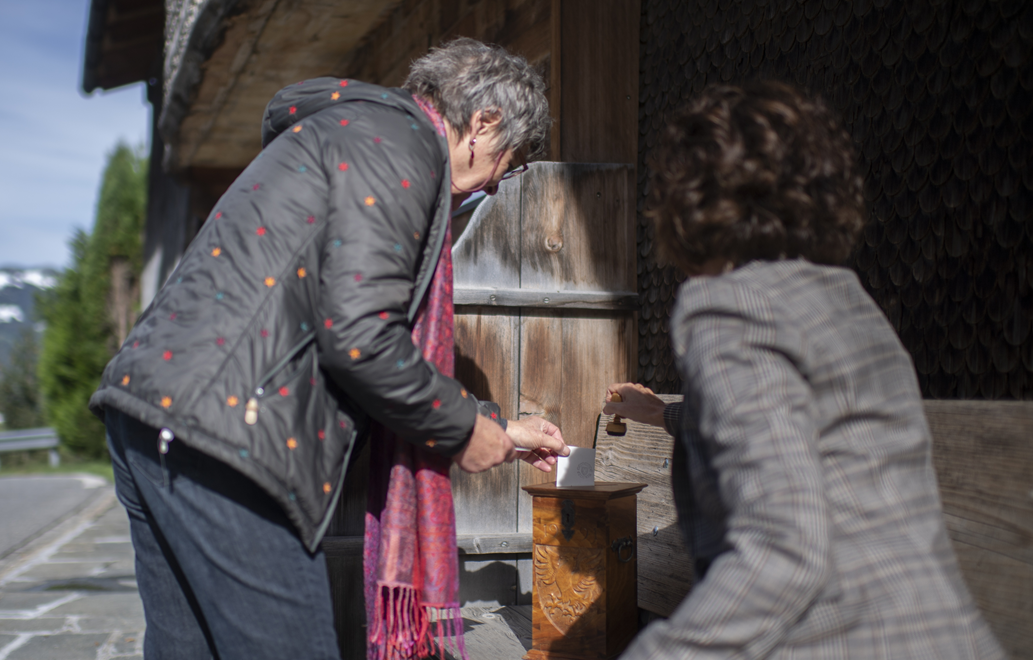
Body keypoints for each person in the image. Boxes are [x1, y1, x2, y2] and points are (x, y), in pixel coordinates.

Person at [89, 39, 568, 660]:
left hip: (155, 415)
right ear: (484, 124)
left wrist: (499, 428)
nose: (502, 182)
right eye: (515, 159)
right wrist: (459, 429)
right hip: (229, 434)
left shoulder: (349, 135)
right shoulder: (398, 146)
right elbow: (362, 336)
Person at [605, 81, 1005, 659]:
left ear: (691, 201)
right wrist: (665, 413)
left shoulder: (727, 306)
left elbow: (785, 549)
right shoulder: (847, 300)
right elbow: (809, 429)